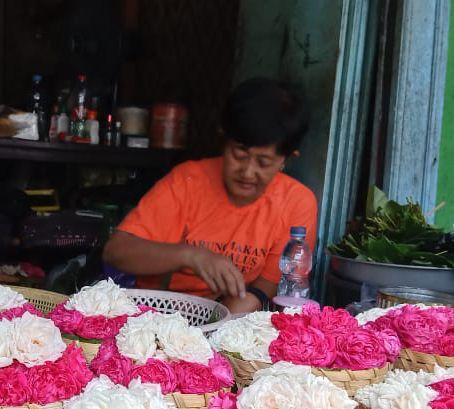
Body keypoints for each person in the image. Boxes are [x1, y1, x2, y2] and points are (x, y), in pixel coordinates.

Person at [102, 78, 317, 313]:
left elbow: (266, 286)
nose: (247, 172)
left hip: (234, 316)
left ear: (287, 158)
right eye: (239, 154)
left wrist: (219, 325)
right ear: (223, 138)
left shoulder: (296, 203)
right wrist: (190, 255)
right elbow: (116, 252)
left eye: (264, 162)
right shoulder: (187, 181)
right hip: (158, 314)